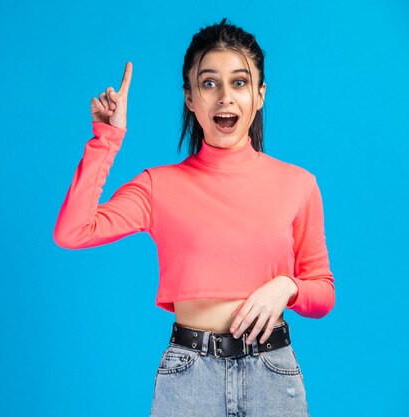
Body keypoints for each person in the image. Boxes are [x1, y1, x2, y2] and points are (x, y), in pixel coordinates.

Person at [53, 18, 334, 417]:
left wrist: (286, 287)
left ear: (260, 95)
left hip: (273, 375)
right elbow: (73, 232)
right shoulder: (158, 185)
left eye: (239, 82)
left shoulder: (298, 184)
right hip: (189, 379)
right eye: (208, 83)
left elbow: (322, 291)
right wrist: (106, 140)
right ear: (189, 97)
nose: (224, 97)